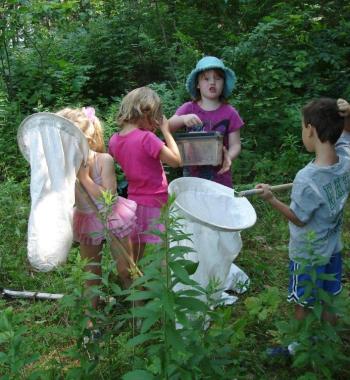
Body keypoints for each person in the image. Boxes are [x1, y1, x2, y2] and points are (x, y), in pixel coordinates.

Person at [256, 98, 350, 329]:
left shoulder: (307, 179)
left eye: (302, 127)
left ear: (310, 129)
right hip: (332, 249)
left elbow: (299, 218)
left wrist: (271, 199)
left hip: (308, 255)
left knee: (303, 302)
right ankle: (327, 341)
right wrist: (347, 116)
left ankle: (298, 346)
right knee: (328, 299)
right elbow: (347, 136)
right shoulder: (347, 160)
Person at [56, 107, 137, 310]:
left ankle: (139, 311)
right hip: (86, 220)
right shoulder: (64, 167)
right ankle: (90, 320)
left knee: (126, 268)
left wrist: (84, 178)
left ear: (86, 139)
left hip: (112, 217)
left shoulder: (103, 160)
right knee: (91, 274)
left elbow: (109, 198)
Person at [108, 87, 182, 260]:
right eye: (155, 117)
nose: (156, 123)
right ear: (145, 112)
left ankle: (134, 283)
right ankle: (164, 283)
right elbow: (176, 161)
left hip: (133, 202)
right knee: (164, 252)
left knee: (136, 253)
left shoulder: (114, 140)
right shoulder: (146, 138)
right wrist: (166, 131)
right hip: (156, 201)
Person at [169, 56, 244, 188]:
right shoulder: (188, 108)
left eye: (218, 78)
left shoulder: (230, 112)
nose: (212, 82)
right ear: (197, 84)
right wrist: (182, 119)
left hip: (220, 178)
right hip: (192, 179)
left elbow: (236, 145)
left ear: (224, 83)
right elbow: (167, 127)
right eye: (206, 79)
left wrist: (228, 157)